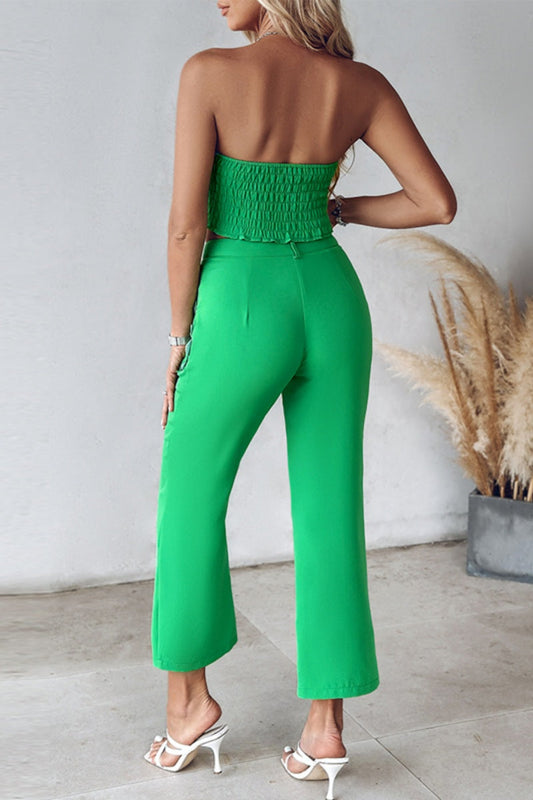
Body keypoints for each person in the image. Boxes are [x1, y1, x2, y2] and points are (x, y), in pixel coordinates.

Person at [144, 1, 457, 797]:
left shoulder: (210, 73)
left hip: (240, 300)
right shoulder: (358, 85)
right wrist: (339, 209)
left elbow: (185, 225)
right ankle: (324, 728)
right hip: (330, 299)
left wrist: (178, 338)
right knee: (329, 507)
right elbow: (434, 202)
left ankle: (188, 707)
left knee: (189, 496)